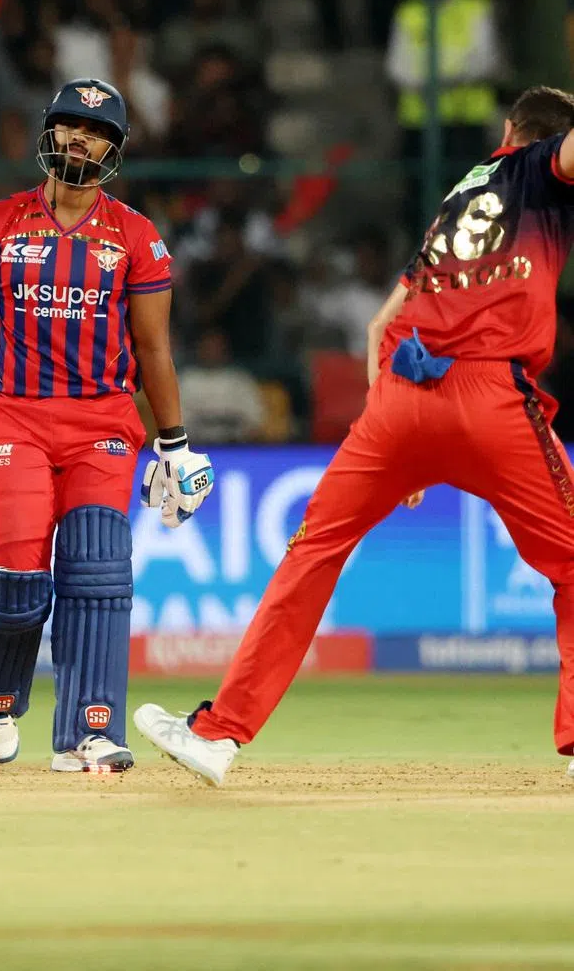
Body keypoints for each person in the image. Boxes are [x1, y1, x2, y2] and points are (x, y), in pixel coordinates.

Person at [134, 86, 574, 786]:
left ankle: (218, 735)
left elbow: (380, 324)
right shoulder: (542, 169)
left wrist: (398, 430)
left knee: (312, 555)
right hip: (491, 397)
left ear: (505, 128)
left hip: (401, 400)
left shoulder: (461, 193)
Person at [0, 78, 214, 772]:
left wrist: (175, 444)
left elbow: (155, 349)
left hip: (103, 421)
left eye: (96, 130)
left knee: (100, 573)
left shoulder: (136, 236)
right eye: (70, 124)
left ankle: (88, 733)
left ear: (114, 149)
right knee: (15, 582)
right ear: (47, 132)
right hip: (12, 416)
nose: (81, 137)